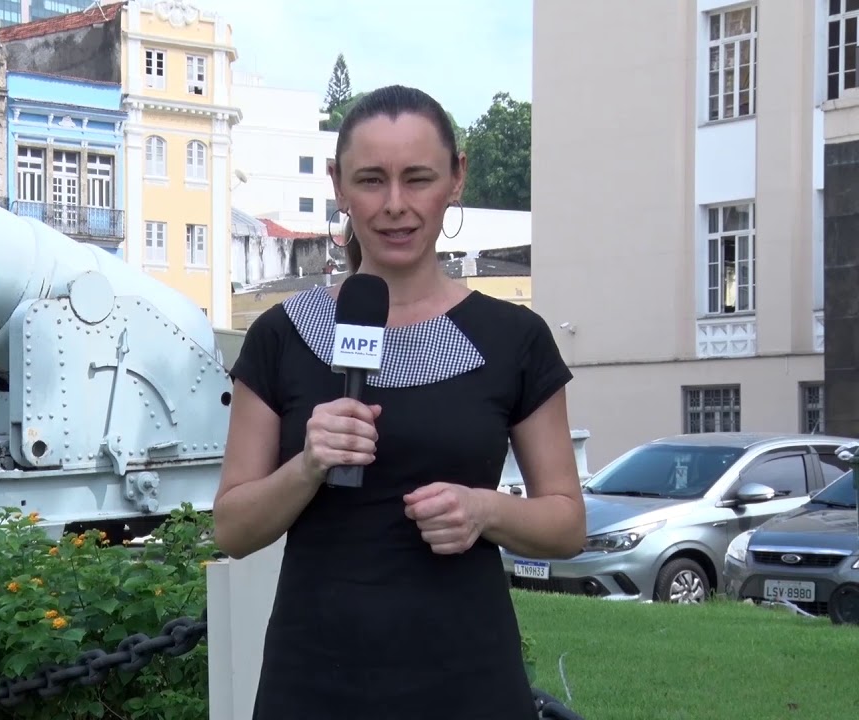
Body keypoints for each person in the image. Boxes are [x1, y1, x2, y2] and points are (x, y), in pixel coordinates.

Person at [212, 85, 587, 719]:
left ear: (455, 177)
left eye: (417, 179)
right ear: (338, 184)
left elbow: (567, 524)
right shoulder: (281, 334)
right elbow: (234, 527)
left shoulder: (514, 338)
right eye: (370, 180)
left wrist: (483, 510)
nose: (395, 206)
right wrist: (306, 466)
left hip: (468, 679)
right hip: (315, 681)